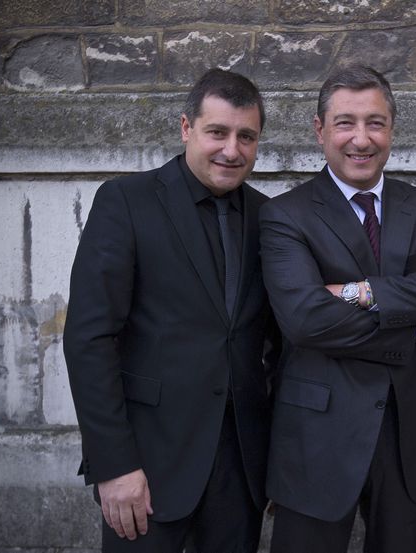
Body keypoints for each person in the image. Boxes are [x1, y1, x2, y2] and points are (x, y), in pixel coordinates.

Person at [259, 64, 416, 553]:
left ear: (392, 129)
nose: (361, 139)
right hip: (319, 435)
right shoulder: (284, 215)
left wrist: (358, 291)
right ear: (320, 130)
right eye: (345, 123)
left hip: (412, 435)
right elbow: (306, 320)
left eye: (375, 123)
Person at [63, 68, 278, 553]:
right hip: (147, 466)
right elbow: (88, 339)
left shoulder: (271, 217)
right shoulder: (126, 201)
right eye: (217, 132)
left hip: (240, 468)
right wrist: (115, 465)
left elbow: (281, 340)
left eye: (247, 136)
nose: (232, 150)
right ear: (186, 128)